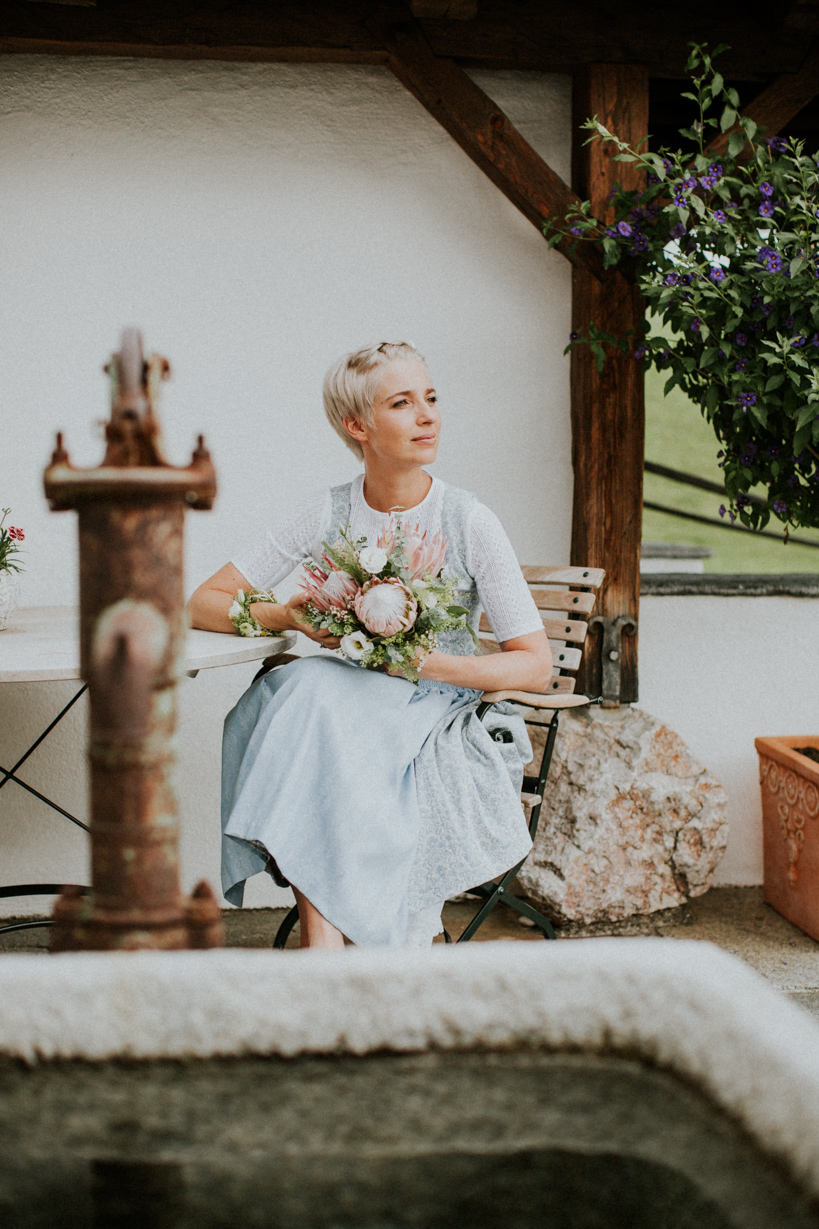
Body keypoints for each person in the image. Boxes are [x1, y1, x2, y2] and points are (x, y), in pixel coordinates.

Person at [187, 342, 552, 950]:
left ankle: (322, 947)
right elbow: (202, 601)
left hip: (441, 704)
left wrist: (424, 662)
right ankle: (328, 946)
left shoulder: (467, 520)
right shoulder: (329, 512)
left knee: (309, 702)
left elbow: (535, 664)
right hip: (347, 703)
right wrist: (291, 618)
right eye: (403, 403)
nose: (428, 415)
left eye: (430, 398)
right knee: (299, 686)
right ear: (358, 426)